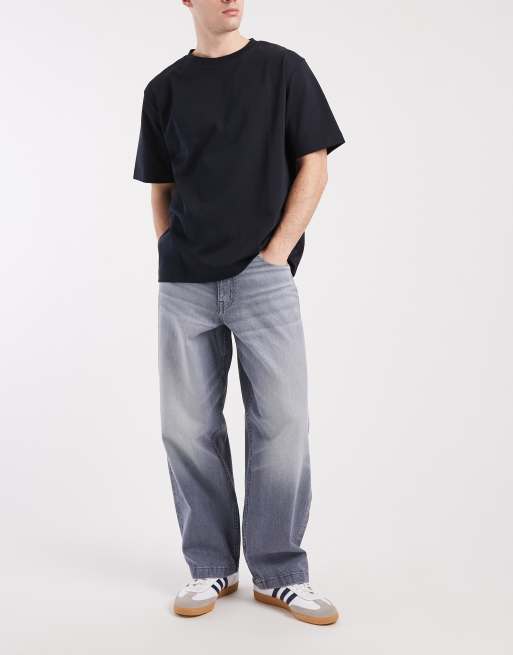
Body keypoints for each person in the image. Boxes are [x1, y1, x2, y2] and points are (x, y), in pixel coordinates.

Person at [133, 0, 345, 626]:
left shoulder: (284, 70)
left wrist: (276, 253)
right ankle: (210, 566)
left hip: (263, 276)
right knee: (186, 426)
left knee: (283, 424)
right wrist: (170, 250)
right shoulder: (164, 89)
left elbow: (315, 166)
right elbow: (161, 185)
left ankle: (280, 574)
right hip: (185, 284)